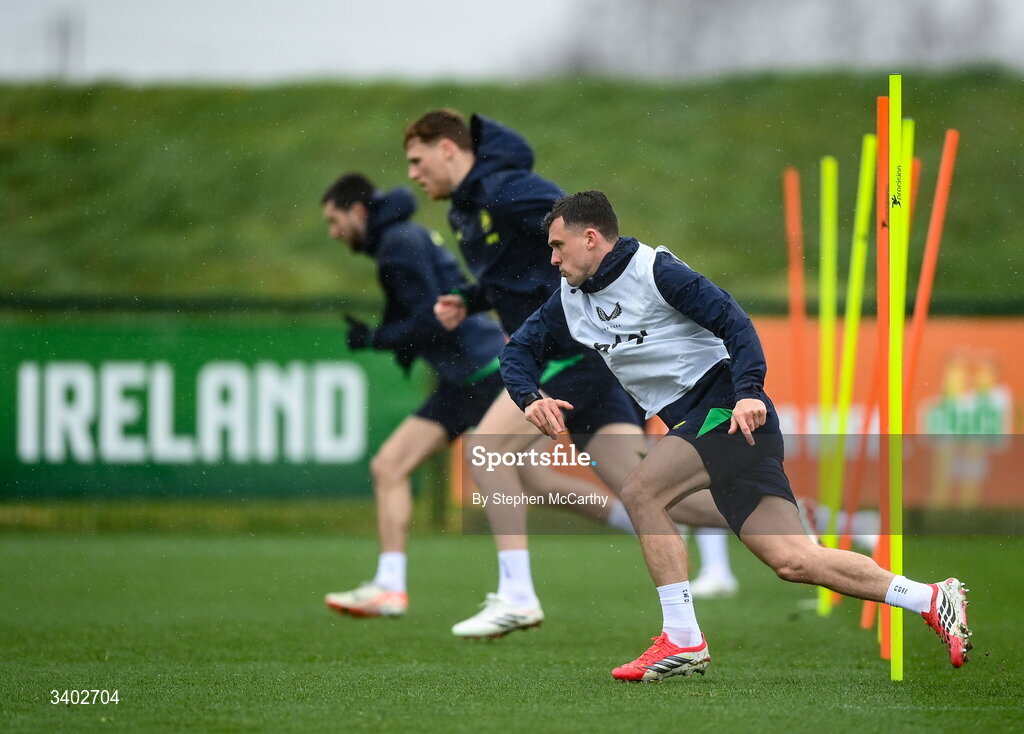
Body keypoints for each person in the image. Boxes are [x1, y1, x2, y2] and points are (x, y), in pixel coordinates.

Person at [500, 190, 973, 679]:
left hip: (726, 409)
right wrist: (529, 396)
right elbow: (518, 354)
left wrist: (749, 391)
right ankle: (932, 597)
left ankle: (682, 639)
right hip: (708, 422)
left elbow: (735, 323)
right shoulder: (570, 299)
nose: (552, 259)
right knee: (794, 560)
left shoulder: (656, 271)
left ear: (591, 238)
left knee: (642, 490)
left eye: (558, 246)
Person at [404, 110, 736, 638]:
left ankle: (516, 595)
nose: (413, 175)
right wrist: (468, 299)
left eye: (418, 161)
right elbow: (513, 275)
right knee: (639, 489)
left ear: (448, 149)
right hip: (588, 355)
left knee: (485, 449)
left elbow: (583, 238)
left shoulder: (509, 190)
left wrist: (617, 294)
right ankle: (787, 521)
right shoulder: (467, 211)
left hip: (570, 348)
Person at [318, 174, 626, 619]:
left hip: (484, 372)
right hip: (462, 377)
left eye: (334, 220)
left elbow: (433, 318)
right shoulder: (402, 238)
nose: (333, 232)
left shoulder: (399, 242)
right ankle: (389, 586)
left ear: (358, 211)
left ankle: (525, 587)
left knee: (523, 475)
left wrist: (378, 338)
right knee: (390, 466)